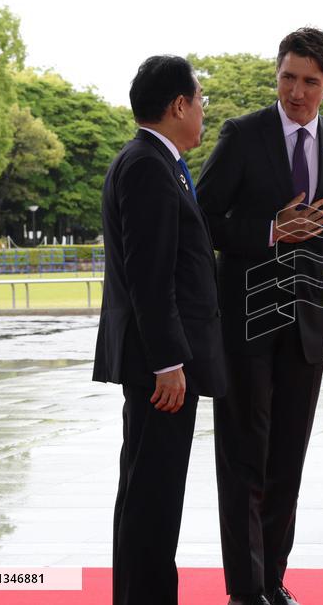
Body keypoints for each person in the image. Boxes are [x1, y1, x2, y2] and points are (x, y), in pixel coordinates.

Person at [196, 27, 323, 605]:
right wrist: (270, 230)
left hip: (309, 325)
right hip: (244, 322)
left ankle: (272, 580)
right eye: (288, 78)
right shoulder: (243, 135)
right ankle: (245, 591)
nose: (297, 92)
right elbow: (202, 219)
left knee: (286, 460)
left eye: (310, 82)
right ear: (278, 75)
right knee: (243, 457)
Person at [92, 55, 229, 605]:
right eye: (199, 101)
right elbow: (151, 275)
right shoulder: (148, 165)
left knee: (148, 491)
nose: (202, 111)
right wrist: (168, 362)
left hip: (160, 360)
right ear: (178, 105)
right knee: (153, 495)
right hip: (161, 368)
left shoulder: (156, 160)